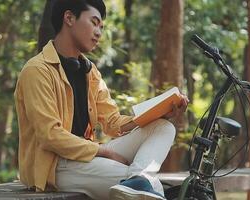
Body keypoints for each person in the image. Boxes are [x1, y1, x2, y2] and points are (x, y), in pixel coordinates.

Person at [14, 0, 188, 199]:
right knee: (151, 187)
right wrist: (104, 152)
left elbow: (113, 123)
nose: (99, 32)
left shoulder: (90, 72)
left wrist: (159, 113)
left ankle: (140, 178)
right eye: (94, 22)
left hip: (86, 155)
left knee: (164, 128)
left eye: (101, 27)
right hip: (54, 164)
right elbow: (50, 136)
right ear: (69, 18)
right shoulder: (37, 70)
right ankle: (140, 180)